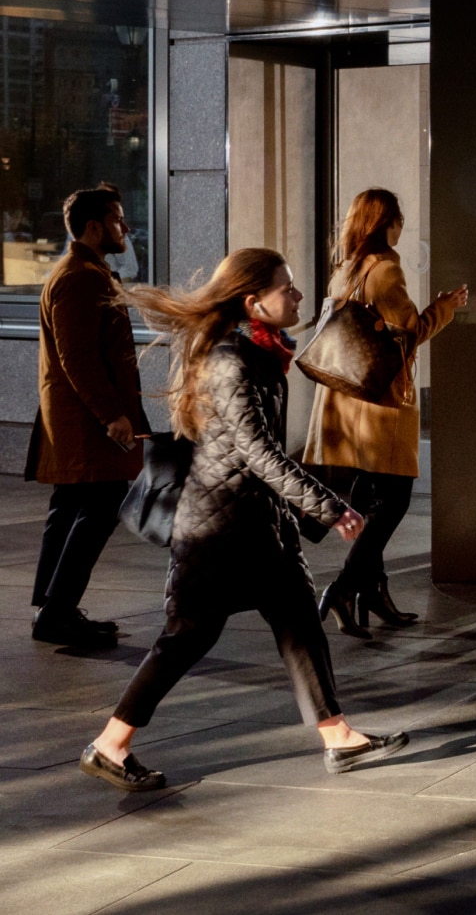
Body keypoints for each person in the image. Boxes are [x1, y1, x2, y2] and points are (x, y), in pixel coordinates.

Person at [79, 247, 407, 792]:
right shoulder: (231, 361)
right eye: (289, 288)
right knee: (186, 638)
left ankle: (338, 735)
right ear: (255, 302)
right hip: (218, 533)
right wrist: (330, 507)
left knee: (300, 622)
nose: (298, 296)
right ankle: (110, 744)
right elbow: (261, 455)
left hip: (257, 525)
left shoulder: (260, 353)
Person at [306, 188, 468, 638]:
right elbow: (410, 333)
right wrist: (445, 308)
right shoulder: (385, 269)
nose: (402, 227)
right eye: (399, 219)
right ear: (387, 224)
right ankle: (343, 589)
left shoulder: (346, 269)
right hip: (379, 404)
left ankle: (372, 591)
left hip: (346, 403)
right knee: (393, 502)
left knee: (373, 498)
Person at [26, 184, 146, 648]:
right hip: (87, 422)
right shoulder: (80, 276)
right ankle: (56, 612)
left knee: (69, 509)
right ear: (94, 227)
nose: (125, 228)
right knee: (99, 508)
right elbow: (77, 356)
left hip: (78, 419)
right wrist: (112, 414)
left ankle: (51, 606)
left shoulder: (85, 270)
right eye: (117, 219)